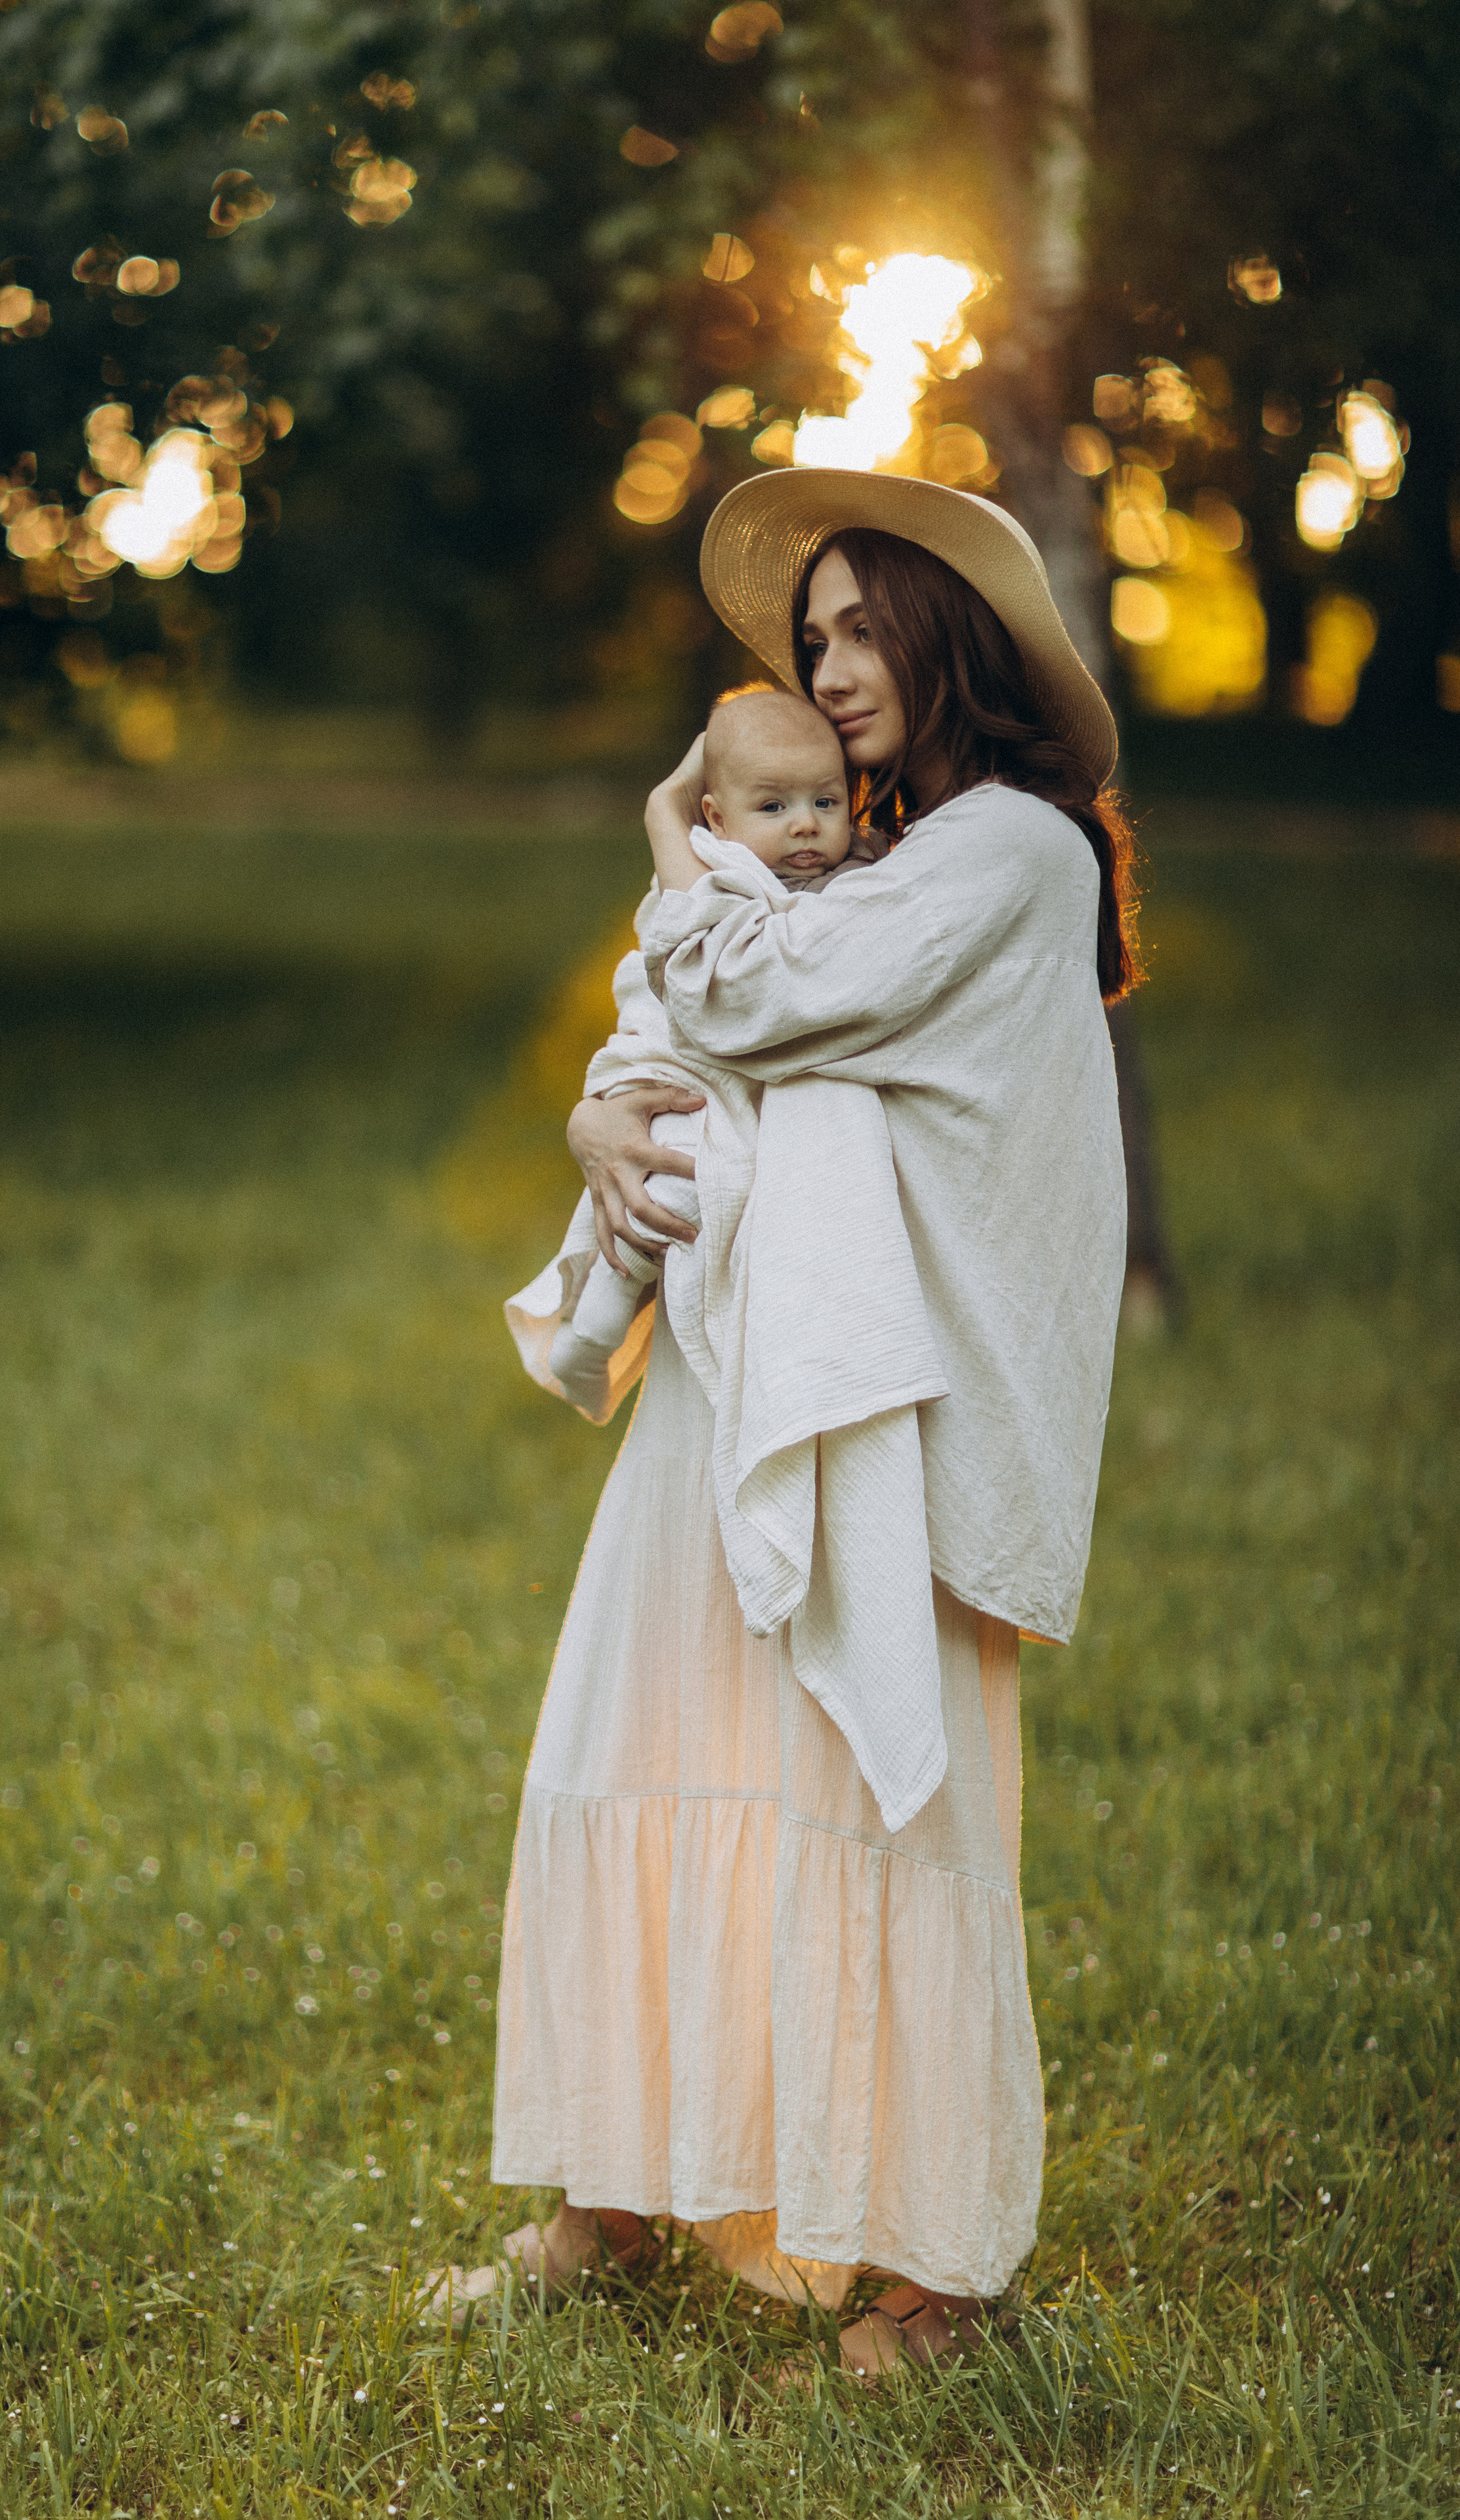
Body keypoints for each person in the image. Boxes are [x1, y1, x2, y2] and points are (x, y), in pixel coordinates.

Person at [459, 471, 1137, 2375]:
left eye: (859, 626)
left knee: (870, 1792)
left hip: (893, 1401)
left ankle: (934, 2269)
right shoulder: (871, 850)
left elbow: (770, 995)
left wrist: (673, 840)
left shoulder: (1011, 851)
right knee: (651, 1728)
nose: (826, 667)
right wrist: (603, 1119)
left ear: (950, 632)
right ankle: (609, 2194)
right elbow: (696, 1032)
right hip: (750, 1361)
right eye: (810, 634)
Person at [549, 683, 874, 1413]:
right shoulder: (711, 869)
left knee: (683, 1190)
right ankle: (594, 1329)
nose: (804, 827)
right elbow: (676, 957)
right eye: (774, 807)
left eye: (825, 802)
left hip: (747, 1078)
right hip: (683, 1064)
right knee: (667, 1178)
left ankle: (600, 1325)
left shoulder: (857, 874)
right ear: (715, 819)